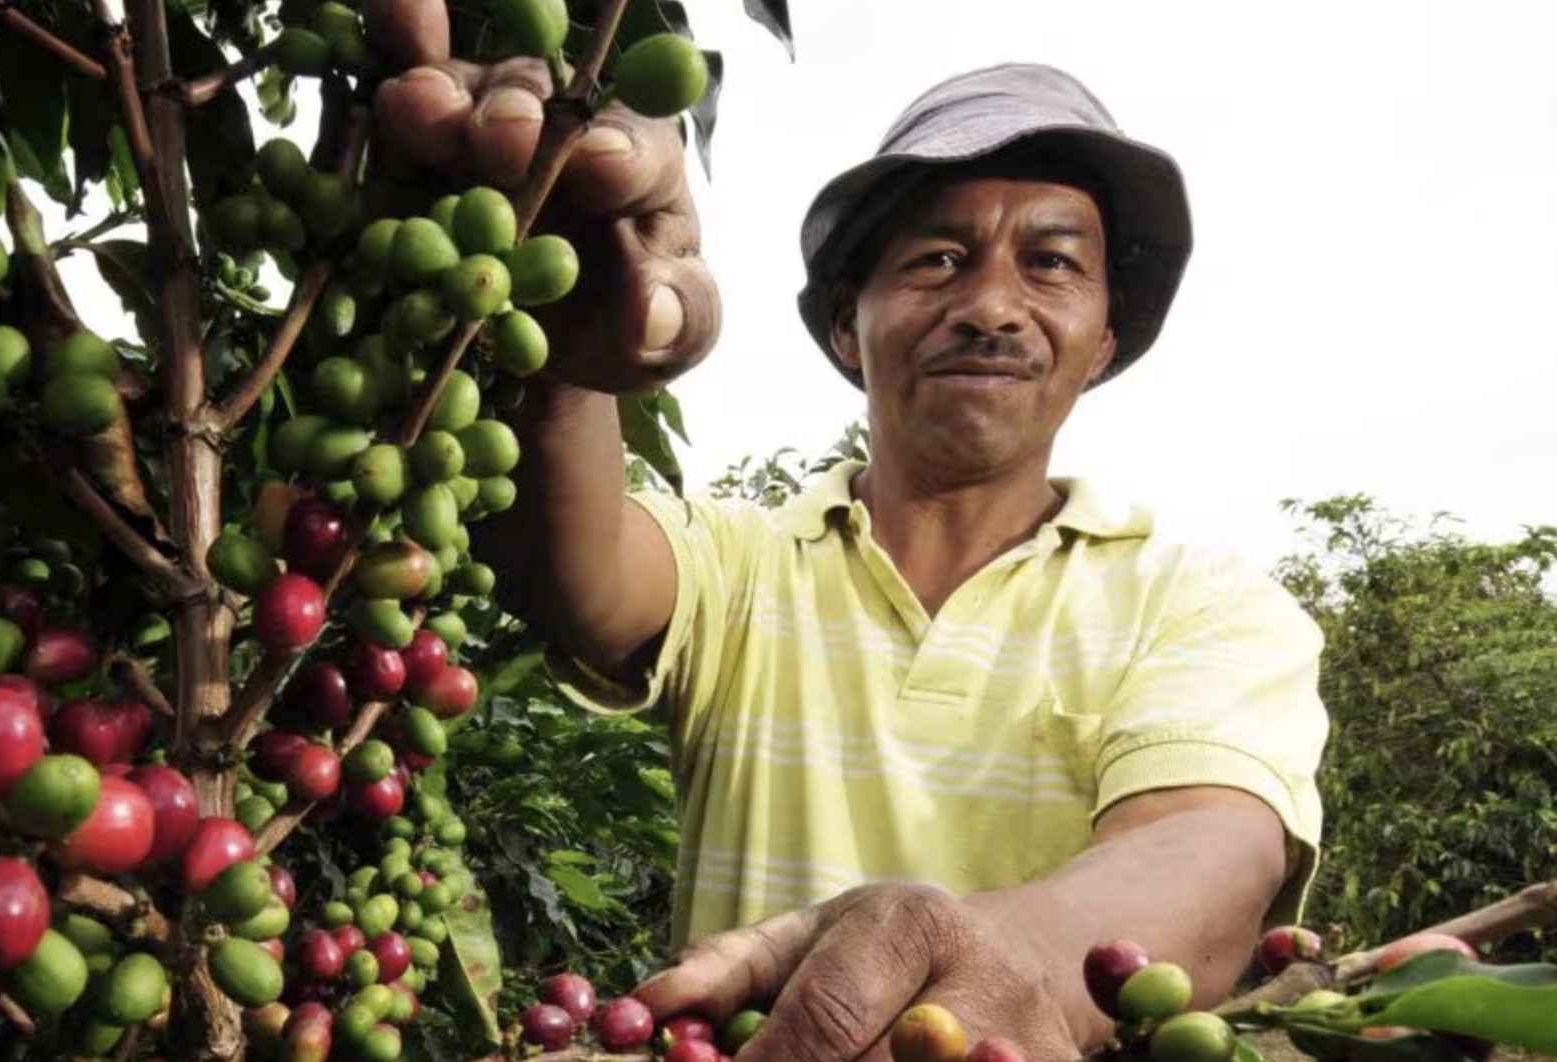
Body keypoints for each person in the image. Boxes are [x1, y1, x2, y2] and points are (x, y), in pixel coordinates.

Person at [365, 9, 1333, 1060]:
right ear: (845, 326)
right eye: (938, 260)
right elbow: (578, 576)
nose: (991, 307)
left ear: (1102, 340)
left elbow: (1208, 851)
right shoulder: (742, 569)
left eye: (1052, 264)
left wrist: (987, 956)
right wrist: (562, 349)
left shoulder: (1204, 608)